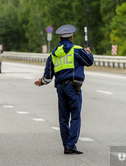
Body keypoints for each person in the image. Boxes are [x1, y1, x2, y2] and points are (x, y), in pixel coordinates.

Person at [34, 24, 94, 155]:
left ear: (60, 38)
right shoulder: (77, 50)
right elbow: (89, 62)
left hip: (61, 87)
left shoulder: (53, 54)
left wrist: (41, 82)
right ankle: (71, 145)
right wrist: (89, 53)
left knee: (63, 117)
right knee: (75, 116)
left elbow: (48, 76)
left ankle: (66, 144)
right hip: (74, 86)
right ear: (71, 37)